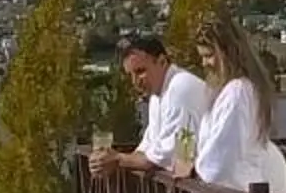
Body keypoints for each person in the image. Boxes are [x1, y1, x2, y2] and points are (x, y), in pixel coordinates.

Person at [178, 5, 286, 193]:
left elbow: (220, 159)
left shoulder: (238, 92)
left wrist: (191, 169)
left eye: (209, 56)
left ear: (227, 53)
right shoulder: (241, 90)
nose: (205, 63)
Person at [88, 32, 209, 176]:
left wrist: (118, 159)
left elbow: (167, 157)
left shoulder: (180, 88)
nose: (135, 82)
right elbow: (148, 149)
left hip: (218, 191)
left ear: (162, 61)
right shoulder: (157, 95)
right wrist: (107, 160)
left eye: (140, 71)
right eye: (130, 75)